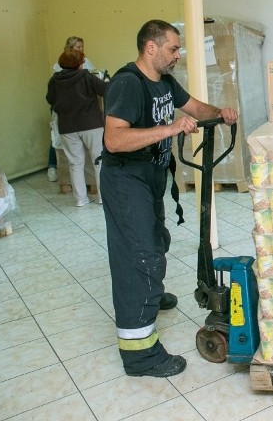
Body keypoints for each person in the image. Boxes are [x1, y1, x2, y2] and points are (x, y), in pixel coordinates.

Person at [101, 20, 238, 378]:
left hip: (149, 177)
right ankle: (140, 353)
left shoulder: (164, 83)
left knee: (157, 239)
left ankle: (151, 295)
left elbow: (194, 107)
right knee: (140, 258)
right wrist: (171, 128)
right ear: (151, 47)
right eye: (173, 49)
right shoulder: (128, 84)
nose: (178, 55)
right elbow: (114, 140)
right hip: (124, 178)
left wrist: (220, 114)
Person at [46, 49, 107, 207]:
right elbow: (105, 90)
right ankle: (102, 198)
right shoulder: (86, 76)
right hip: (91, 124)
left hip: (67, 127)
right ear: (80, 63)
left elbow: (50, 99)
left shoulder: (54, 80)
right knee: (99, 161)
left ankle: (81, 199)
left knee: (75, 164)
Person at [47, 36, 95, 182]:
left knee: (77, 159)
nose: (80, 50)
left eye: (82, 47)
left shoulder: (87, 63)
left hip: (80, 112)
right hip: (66, 112)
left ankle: (82, 194)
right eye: (77, 47)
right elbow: (51, 97)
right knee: (57, 140)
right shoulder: (59, 66)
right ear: (69, 48)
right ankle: (52, 166)